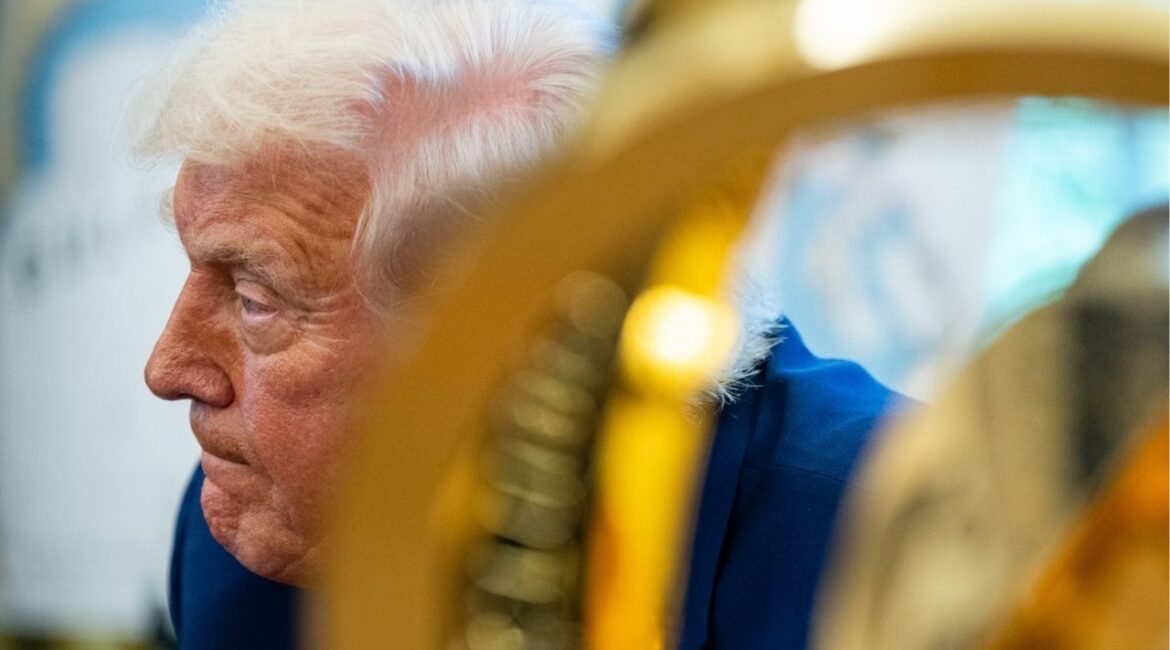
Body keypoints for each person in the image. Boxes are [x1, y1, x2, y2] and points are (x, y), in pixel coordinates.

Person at [135, 1, 905, 648]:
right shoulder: (241, 543)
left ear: (516, 340)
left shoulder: (889, 549)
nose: (167, 368)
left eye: (254, 298)